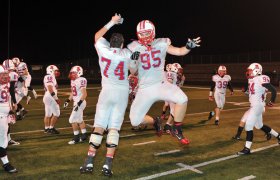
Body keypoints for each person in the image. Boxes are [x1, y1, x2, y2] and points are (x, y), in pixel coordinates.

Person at [80, 13, 138, 176]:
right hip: (121, 93)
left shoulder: (103, 50)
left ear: (110, 42)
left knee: (99, 126)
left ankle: (89, 163)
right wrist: (136, 53)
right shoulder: (127, 53)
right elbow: (133, 70)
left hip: (106, 92)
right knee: (114, 129)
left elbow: (97, 36)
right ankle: (107, 165)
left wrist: (112, 22)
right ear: (122, 44)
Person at [127, 19, 201, 145]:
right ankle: (155, 122)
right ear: (138, 34)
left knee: (182, 99)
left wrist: (188, 47)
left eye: (147, 33)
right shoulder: (134, 47)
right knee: (135, 121)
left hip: (160, 83)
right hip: (144, 88)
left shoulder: (161, 43)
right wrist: (133, 61)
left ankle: (177, 129)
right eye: (142, 33)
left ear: (153, 32)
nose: (145, 36)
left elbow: (179, 51)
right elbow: (133, 71)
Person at [237, 63, 280, 155]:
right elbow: (253, 93)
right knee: (259, 126)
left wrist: (272, 101)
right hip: (256, 106)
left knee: (248, 126)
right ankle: (278, 136)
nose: (248, 72)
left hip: (257, 106)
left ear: (256, 70)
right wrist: (246, 92)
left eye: (250, 70)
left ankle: (247, 149)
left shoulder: (261, 78)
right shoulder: (252, 80)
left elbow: (273, 90)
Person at [64, 65, 88, 144]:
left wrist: (78, 104)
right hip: (76, 102)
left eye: (73, 73)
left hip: (80, 102)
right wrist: (68, 100)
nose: (71, 74)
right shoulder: (73, 81)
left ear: (79, 73)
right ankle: (84, 135)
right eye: (71, 73)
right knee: (79, 119)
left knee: (72, 119)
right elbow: (73, 93)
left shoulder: (81, 80)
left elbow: (84, 94)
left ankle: (76, 138)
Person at [0, 65, 17, 173]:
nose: (5, 76)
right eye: (2, 75)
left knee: (4, 138)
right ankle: (6, 164)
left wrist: (11, 109)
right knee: (2, 139)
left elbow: (8, 97)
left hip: (5, 113)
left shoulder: (7, 83)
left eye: (6, 74)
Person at [163, 63, 186, 134]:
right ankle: (168, 126)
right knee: (175, 111)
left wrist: (181, 80)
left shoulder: (180, 76)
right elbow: (169, 83)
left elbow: (180, 85)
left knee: (176, 111)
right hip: (171, 94)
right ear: (175, 69)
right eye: (179, 70)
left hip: (175, 94)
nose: (181, 72)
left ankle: (169, 125)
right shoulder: (170, 73)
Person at [2, 59, 20, 146]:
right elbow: (11, 90)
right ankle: (7, 140)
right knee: (8, 121)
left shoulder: (3, 73)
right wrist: (15, 102)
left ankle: (7, 139)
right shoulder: (13, 74)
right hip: (6, 101)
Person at [43, 65, 61, 134]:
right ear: (51, 71)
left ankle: (46, 128)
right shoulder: (49, 76)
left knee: (48, 114)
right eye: (55, 71)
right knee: (57, 114)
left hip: (47, 97)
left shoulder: (49, 77)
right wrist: (56, 98)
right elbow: (50, 88)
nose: (57, 72)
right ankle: (51, 128)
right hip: (51, 97)